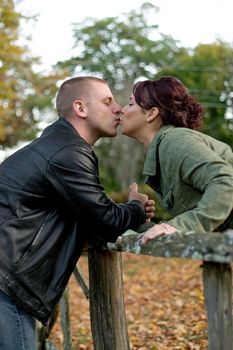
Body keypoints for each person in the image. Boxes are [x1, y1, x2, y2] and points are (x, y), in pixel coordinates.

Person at [0, 76, 155, 350]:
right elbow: (106, 220)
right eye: (108, 101)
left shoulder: (58, 145)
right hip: (5, 284)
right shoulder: (68, 152)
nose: (118, 108)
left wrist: (125, 210)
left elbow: (90, 213)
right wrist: (137, 208)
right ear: (81, 109)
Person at [120, 76, 233, 244]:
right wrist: (134, 216)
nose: (121, 110)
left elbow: (224, 180)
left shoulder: (174, 141)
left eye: (130, 104)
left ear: (151, 113)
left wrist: (184, 225)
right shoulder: (163, 150)